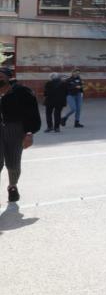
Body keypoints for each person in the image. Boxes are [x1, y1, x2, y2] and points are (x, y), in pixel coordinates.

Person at [0, 67, 42, 203]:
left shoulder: (22, 92)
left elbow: (32, 114)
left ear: (8, 77)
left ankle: (12, 186)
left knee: (13, 164)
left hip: (15, 129)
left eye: (0, 76)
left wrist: (29, 133)